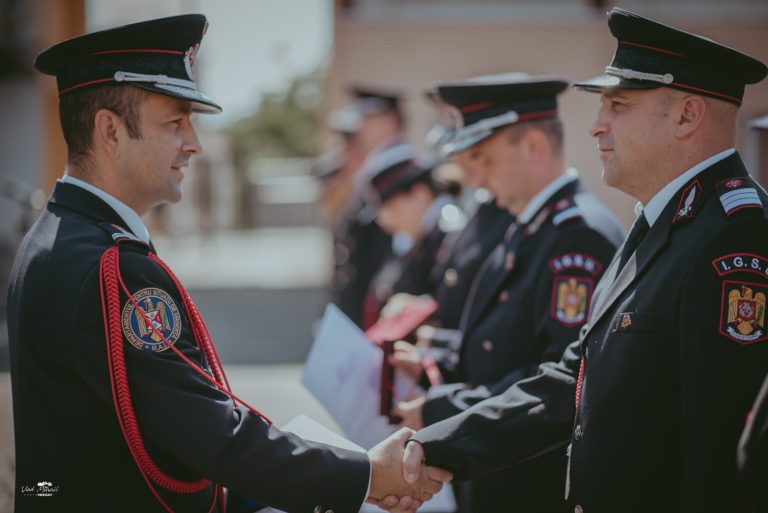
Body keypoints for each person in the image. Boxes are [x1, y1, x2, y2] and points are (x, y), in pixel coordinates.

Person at [7, 15, 450, 513]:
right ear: (110, 131)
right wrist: (367, 475)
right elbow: (213, 437)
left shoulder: (63, 235)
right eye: (175, 123)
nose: (193, 142)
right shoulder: (110, 265)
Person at [381, 8, 768, 513]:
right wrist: (433, 445)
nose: (596, 126)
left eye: (619, 104)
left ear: (686, 115)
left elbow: (726, 450)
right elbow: (575, 382)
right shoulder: (661, 224)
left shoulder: (732, 236)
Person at [389, 74, 623, 513]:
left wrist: (444, 410)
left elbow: (561, 377)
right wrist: (432, 360)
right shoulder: (528, 224)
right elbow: (501, 344)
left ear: (533, 147)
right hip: (500, 462)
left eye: (484, 160)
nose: (475, 178)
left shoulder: (577, 236)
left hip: (532, 478)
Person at [331, 86, 409, 328]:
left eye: (367, 119)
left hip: (383, 301)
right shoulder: (372, 165)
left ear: (390, 121)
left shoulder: (403, 170)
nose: (359, 128)